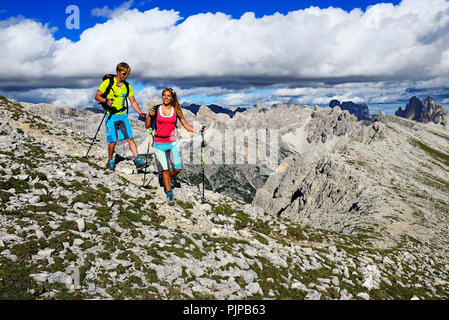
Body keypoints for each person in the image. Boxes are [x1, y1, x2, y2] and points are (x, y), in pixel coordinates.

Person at [145, 87, 205, 206]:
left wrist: (198, 131)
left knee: (177, 168)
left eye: (168, 96)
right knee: (165, 170)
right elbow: (147, 126)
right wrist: (149, 116)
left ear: (172, 98)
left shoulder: (176, 110)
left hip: (172, 142)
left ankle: (169, 179)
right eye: (164, 95)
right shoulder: (156, 109)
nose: (166, 97)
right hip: (158, 143)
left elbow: (186, 125)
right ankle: (169, 193)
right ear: (162, 96)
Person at [94, 62, 149, 171]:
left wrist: (140, 113)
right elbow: (97, 96)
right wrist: (106, 101)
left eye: (127, 74)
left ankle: (137, 160)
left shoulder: (127, 86)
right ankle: (110, 160)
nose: (126, 76)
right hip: (111, 115)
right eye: (124, 73)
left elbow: (133, 101)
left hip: (122, 116)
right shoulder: (108, 82)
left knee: (130, 138)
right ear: (118, 72)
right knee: (113, 140)